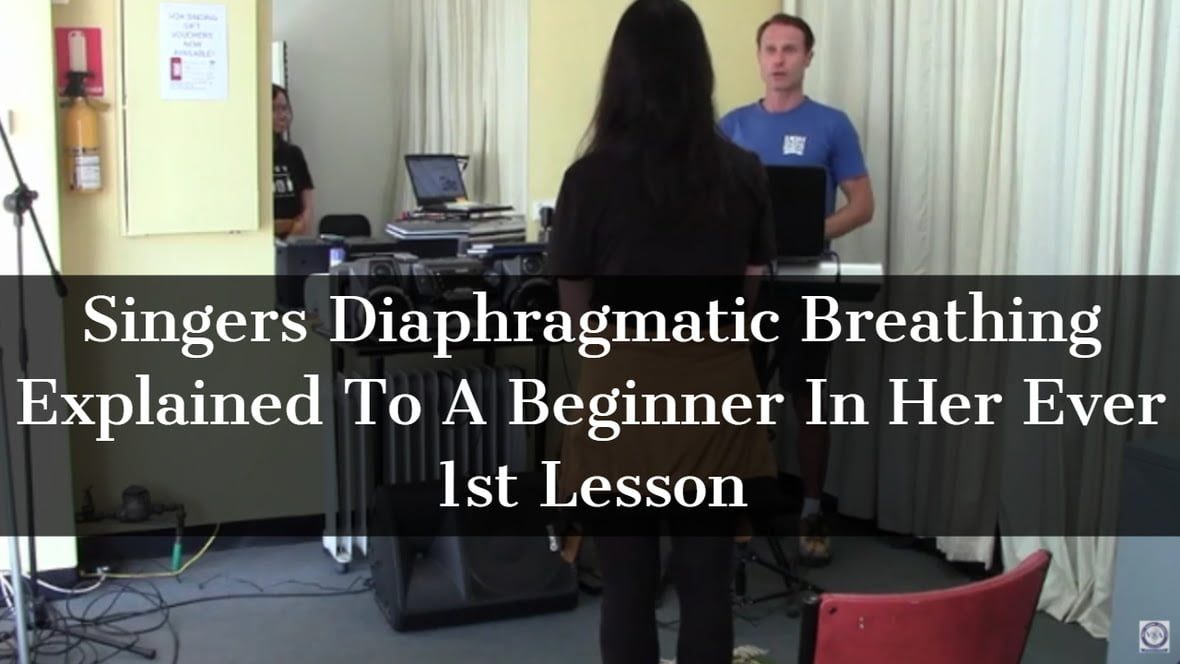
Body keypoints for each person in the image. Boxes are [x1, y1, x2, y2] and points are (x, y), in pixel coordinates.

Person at [546, 1, 779, 662]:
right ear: (700, 73)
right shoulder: (743, 171)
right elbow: (747, 296)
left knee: (627, 586)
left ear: (620, 75)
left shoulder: (588, 178)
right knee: (707, 584)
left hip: (621, 390)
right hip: (715, 388)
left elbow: (575, 306)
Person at [719, 13, 875, 567]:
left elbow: (862, 205)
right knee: (735, 397)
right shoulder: (731, 126)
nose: (779, 59)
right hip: (746, 284)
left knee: (807, 397)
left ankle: (812, 510)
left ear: (808, 57)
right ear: (759, 56)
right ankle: (733, 509)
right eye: (770, 48)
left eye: (790, 49)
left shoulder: (831, 125)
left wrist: (810, 231)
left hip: (806, 282)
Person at [272, 84, 315, 239]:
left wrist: (296, 226)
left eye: (284, 108)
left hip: (293, 241)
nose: (282, 115)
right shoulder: (248, 156)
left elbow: (308, 206)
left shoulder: (294, 153)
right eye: (274, 109)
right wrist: (287, 224)